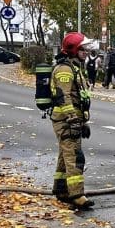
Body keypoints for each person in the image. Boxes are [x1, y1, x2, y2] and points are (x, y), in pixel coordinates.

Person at [50, 32, 95, 211]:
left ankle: (61, 189)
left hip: (71, 120)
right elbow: (63, 98)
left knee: (65, 155)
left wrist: (82, 121)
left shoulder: (74, 67)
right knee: (75, 157)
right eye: (82, 49)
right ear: (73, 50)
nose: (86, 52)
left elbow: (79, 97)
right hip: (66, 121)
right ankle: (77, 195)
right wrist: (73, 120)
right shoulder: (64, 70)